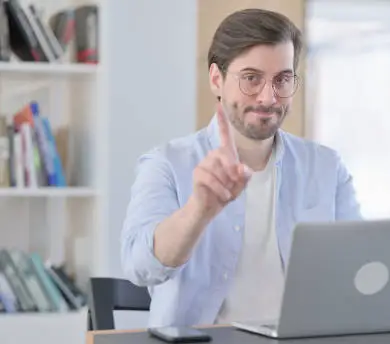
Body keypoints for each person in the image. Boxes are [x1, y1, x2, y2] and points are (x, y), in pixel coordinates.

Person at [120, 8, 362, 328]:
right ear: (216, 79)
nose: (268, 97)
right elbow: (140, 267)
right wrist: (198, 211)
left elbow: (361, 268)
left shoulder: (327, 167)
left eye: (282, 79)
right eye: (251, 79)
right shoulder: (165, 164)